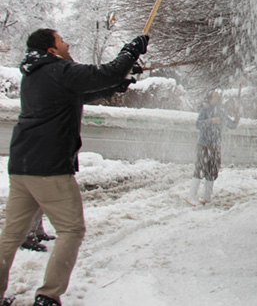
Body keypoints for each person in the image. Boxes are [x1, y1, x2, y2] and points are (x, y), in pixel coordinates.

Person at [0, 28, 148, 306]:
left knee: (10, 235)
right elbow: (104, 72)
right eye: (61, 40)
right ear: (52, 50)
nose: (67, 43)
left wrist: (117, 85)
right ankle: (48, 295)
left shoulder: (34, 73)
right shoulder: (59, 69)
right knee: (72, 230)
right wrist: (130, 51)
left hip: (22, 164)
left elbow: (79, 93)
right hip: (49, 167)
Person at [188, 89, 240, 205]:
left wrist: (236, 120)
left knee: (212, 171)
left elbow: (231, 125)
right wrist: (210, 121)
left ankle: (207, 198)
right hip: (204, 145)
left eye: (218, 96)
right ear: (210, 99)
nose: (216, 98)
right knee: (200, 169)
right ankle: (192, 196)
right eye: (214, 96)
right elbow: (198, 124)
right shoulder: (205, 111)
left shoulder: (221, 112)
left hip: (215, 146)